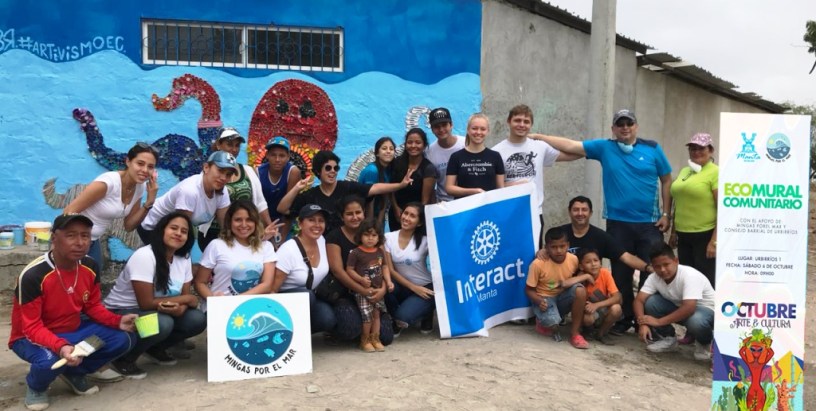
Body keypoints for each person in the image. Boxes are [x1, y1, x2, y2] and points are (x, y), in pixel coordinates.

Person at [534, 109, 673, 335]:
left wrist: (666, 214)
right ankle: (624, 319)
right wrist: (539, 137)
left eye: (629, 124)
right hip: (618, 223)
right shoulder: (605, 147)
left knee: (653, 272)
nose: (625, 128)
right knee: (621, 274)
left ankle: (650, 323)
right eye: (620, 124)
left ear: (636, 126)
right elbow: (571, 145)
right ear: (613, 129)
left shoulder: (653, 148)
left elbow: (667, 180)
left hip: (649, 223)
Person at [10, 214, 137, 411]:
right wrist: (61, 347)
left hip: (73, 329)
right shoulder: (34, 275)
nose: (80, 243)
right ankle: (36, 386)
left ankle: (74, 372)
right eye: (71, 235)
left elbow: (92, 306)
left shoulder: (90, 266)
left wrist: (117, 321)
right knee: (48, 361)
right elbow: (31, 327)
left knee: (123, 339)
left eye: (85, 236)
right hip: (29, 337)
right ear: (54, 238)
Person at [104, 212, 206, 378]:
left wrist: (182, 307)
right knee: (162, 323)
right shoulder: (145, 256)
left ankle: (155, 348)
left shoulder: (183, 258)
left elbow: (186, 297)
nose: (178, 233)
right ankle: (124, 359)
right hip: (123, 311)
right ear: (161, 230)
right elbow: (146, 303)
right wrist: (187, 300)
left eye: (184, 231)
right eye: (173, 228)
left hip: (156, 308)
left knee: (197, 319)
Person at [492, 104, 579, 245]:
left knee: (534, 256)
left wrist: (540, 137)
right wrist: (515, 186)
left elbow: (573, 153)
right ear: (508, 121)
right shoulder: (496, 152)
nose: (521, 125)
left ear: (531, 124)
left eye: (526, 122)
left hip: (534, 212)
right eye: (517, 120)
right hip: (508, 213)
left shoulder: (540, 146)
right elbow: (492, 186)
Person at [64, 142, 159, 266]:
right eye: (140, 164)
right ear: (128, 161)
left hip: (93, 242)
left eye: (150, 167)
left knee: (93, 282)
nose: (145, 170)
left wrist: (149, 203)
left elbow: (129, 226)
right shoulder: (108, 182)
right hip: (75, 242)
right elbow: (69, 211)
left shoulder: (139, 187)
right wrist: (78, 241)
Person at [277, 150, 413, 233]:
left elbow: (375, 188)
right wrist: (296, 188)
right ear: (318, 171)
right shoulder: (310, 195)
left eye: (335, 168)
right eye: (328, 168)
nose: (332, 172)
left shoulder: (347, 188)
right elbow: (282, 209)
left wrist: (401, 185)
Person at [325, 196, 394, 346]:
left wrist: (382, 290)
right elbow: (338, 271)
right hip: (347, 294)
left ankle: (367, 330)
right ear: (341, 216)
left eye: (358, 212)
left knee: (386, 337)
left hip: (375, 293)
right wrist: (364, 291)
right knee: (351, 328)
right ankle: (340, 330)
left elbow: (383, 266)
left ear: (364, 213)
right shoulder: (334, 237)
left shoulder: (375, 234)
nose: (355, 217)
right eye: (349, 214)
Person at [634, 242, 715, 361]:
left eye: (666, 264)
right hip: (682, 309)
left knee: (696, 321)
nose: (662, 269)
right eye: (657, 266)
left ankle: (705, 343)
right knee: (651, 302)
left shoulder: (689, 275)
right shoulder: (654, 278)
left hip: (707, 312)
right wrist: (643, 323)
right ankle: (668, 339)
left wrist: (658, 321)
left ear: (676, 261)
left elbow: (689, 307)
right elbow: (638, 300)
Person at [138, 150, 237, 245]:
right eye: (220, 170)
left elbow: (225, 226)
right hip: (152, 227)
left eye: (228, 174)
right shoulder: (190, 190)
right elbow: (180, 229)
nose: (224, 178)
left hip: (172, 230)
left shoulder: (222, 190)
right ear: (206, 168)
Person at [198, 128, 274, 251]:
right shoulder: (209, 173)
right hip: (214, 232)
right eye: (229, 144)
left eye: (237, 145)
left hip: (243, 232)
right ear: (218, 145)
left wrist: (269, 225)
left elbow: (260, 203)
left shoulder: (248, 171)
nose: (233, 149)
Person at [194, 200, 277, 312]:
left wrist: (235, 302)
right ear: (229, 222)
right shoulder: (216, 245)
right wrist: (214, 301)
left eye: (249, 220)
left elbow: (267, 284)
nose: (244, 225)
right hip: (219, 308)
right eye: (238, 220)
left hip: (251, 308)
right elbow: (200, 282)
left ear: (256, 222)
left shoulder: (266, 247)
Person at [272, 204, 335, 334]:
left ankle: (300, 335)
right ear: (300, 223)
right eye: (311, 220)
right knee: (307, 296)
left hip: (310, 298)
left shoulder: (322, 240)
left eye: (321, 221)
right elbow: (273, 289)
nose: (317, 225)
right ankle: (288, 333)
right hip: (285, 300)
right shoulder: (288, 250)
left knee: (328, 318)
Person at [525, 227, 590, 349]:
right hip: (545, 299)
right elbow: (528, 289)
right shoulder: (538, 264)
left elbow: (577, 276)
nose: (559, 250)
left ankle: (575, 334)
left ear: (568, 245)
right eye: (554, 247)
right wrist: (539, 301)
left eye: (562, 246)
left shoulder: (573, 259)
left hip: (563, 295)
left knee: (580, 290)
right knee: (552, 325)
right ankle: (542, 321)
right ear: (546, 247)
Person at [669, 133, 718, 288]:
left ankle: (707, 311)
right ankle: (690, 310)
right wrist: (673, 232)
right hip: (684, 234)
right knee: (688, 280)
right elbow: (679, 202)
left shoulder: (716, 172)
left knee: (705, 280)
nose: (696, 152)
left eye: (701, 148)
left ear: (711, 150)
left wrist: (714, 242)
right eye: (692, 148)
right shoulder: (685, 171)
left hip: (705, 235)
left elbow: (723, 209)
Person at [384, 203, 435, 336]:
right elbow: (391, 270)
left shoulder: (426, 241)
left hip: (425, 287)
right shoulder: (388, 238)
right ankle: (397, 319)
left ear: (419, 223)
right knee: (385, 286)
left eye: (412, 216)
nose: (406, 218)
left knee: (403, 317)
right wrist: (413, 288)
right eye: (405, 213)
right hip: (403, 286)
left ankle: (426, 313)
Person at [345, 219, 391, 352]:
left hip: (378, 290)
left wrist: (388, 282)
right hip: (363, 291)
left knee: (377, 315)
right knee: (367, 317)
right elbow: (349, 270)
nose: (370, 238)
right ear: (360, 236)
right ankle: (364, 341)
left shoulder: (379, 252)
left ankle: (375, 339)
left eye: (374, 235)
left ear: (379, 237)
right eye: (366, 235)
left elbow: (385, 267)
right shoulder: (356, 252)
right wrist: (360, 280)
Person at [445, 113, 505, 198]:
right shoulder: (456, 157)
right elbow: (449, 188)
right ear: (468, 130)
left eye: (483, 129)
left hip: (489, 207)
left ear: (488, 131)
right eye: (474, 128)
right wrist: (473, 191)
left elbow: (500, 188)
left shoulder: (495, 156)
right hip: (465, 208)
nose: (478, 132)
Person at [258, 136, 302, 248]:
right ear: (267, 155)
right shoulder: (258, 172)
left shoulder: (293, 172)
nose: (277, 159)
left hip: (284, 221)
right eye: (273, 155)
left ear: (288, 157)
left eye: (282, 155)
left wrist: (280, 240)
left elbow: (288, 209)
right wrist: (268, 230)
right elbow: (258, 205)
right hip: (262, 220)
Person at [389, 128, 436, 232]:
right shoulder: (396, 163)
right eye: (410, 142)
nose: (413, 146)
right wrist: (396, 208)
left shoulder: (428, 169)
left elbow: (425, 201)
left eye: (418, 142)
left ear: (424, 145)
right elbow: (390, 189)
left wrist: (413, 217)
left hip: (415, 217)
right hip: (396, 214)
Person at [577, 249, 622, 345]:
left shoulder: (605, 273)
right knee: (587, 318)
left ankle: (601, 333)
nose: (593, 264)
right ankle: (588, 331)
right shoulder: (581, 277)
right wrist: (583, 277)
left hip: (601, 309)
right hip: (588, 312)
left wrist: (596, 305)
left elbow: (617, 297)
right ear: (581, 266)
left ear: (600, 263)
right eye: (588, 262)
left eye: (596, 261)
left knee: (616, 308)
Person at [425, 107, 465, 202]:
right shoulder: (429, 152)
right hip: (444, 203)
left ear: (451, 125)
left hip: (467, 201)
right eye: (437, 127)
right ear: (432, 129)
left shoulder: (465, 144)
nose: (441, 129)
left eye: (444, 125)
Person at [358, 136, 396, 227]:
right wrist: (371, 224)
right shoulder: (372, 170)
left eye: (391, 149)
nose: (388, 151)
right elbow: (370, 200)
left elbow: (385, 196)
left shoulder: (388, 170)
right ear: (377, 153)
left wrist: (380, 220)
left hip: (378, 215)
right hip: (365, 216)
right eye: (384, 148)